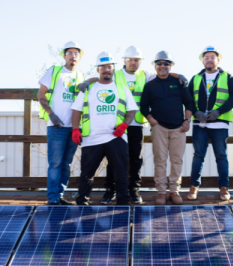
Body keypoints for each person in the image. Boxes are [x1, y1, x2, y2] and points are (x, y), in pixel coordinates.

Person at [77, 46, 188, 205]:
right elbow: (101, 77)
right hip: (117, 123)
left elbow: (163, 74)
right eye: (130, 60)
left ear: (140, 62)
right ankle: (110, 191)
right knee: (113, 159)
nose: (133, 63)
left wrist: (179, 75)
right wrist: (88, 80)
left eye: (136, 60)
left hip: (136, 123)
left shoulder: (146, 75)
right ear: (125, 61)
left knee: (136, 159)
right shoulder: (116, 74)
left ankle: (134, 190)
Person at [71, 52, 138, 205]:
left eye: (109, 67)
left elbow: (132, 110)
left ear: (114, 69)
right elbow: (76, 110)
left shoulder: (122, 88)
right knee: (87, 173)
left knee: (120, 172)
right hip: (92, 138)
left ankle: (122, 201)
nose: (106, 70)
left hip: (116, 137)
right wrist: (75, 129)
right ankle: (82, 201)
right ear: (98, 70)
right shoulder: (88, 88)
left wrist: (124, 125)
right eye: (103, 67)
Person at [187, 46, 233, 201]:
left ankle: (224, 188)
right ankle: (193, 187)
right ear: (203, 61)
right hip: (199, 124)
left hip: (220, 124)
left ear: (218, 60)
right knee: (198, 156)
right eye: (206, 57)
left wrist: (219, 111)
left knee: (221, 156)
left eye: (212, 57)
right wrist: (195, 113)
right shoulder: (196, 78)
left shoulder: (228, 77)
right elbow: (188, 99)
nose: (209, 60)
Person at [140, 51, 193, 205]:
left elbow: (189, 103)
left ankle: (174, 192)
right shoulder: (150, 85)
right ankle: (161, 192)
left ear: (171, 65)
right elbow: (144, 106)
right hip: (159, 128)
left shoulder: (179, 83)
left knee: (177, 160)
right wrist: (151, 120)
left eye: (166, 63)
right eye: (159, 63)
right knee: (160, 160)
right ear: (155, 66)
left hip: (179, 128)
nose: (163, 66)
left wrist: (187, 121)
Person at [37, 41, 84, 205]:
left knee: (66, 164)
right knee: (55, 163)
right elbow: (41, 94)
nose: (73, 55)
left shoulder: (80, 76)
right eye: (70, 52)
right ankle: (53, 197)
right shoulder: (55, 71)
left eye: (76, 53)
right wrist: (52, 115)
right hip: (56, 126)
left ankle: (60, 194)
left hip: (73, 128)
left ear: (79, 57)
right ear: (64, 56)